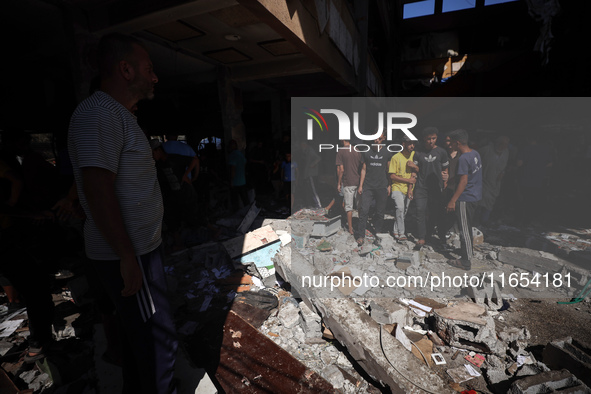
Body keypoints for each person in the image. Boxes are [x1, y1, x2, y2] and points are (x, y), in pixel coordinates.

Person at [68, 33, 177, 394]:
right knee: (158, 344)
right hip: (132, 255)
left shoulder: (115, 115)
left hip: (140, 251)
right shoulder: (99, 113)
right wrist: (127, 256)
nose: (155, 77)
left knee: (138, 343)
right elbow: (98, 189)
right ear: (126, 69)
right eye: (149, 69)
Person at [445, 129, 482, 270]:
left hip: (465, 197)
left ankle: (466, 260)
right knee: (468, 226)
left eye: (451, 142)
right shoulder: (475, 154)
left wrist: (452, 200)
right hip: (476, 196)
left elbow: (463, 182)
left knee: (464, 229)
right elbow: (469, 175)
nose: (449, 145)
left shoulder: (463, 159)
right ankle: (468, 252)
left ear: (457, 143)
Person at [412, 127, 449, 245]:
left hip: (436, 187)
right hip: (421, 187)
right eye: (429, 139)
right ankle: (421, 237)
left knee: (434, 212)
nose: (431, 141)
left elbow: (445, 169)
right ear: (424, 139)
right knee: (420, 210)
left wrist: (445, 184)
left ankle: (430, 234)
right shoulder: (418, 152)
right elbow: (415, 170)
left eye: (434, 138)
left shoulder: (442, 152)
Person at [355, 133, 391, 246]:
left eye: (380, 138)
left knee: (380, 212)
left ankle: (378, 233)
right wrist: (360, 185)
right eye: (375, 138)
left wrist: (389, 185)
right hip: (368, 186)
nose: (377, 140)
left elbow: (389, 170)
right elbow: (363, 169)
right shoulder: (367, 152)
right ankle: (361, 235)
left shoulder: (387, 152)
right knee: (364, 210)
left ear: (383, 139)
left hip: (381, 186)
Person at [388, 136, 418, 241]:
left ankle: (395, 230)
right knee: (400, 208)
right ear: (403, 144)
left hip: (409, 188)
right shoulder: (395, 157)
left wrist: (414, 167)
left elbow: (417, 170)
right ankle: (402, 233)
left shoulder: (414, 155)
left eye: (413, 143)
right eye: (410, 143)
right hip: (397, 187)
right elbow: (392, 176)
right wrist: (408, 181)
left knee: (403, 211)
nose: (412, 146)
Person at [478, 136, 509, 224]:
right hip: (483, 180)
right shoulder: (485, 150)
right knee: (481, 200)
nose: (503, 146)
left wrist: (502, 172)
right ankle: (477, 221)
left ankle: (484, 221)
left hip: (495, 182)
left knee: (490, 201)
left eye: (506, 144)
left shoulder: (506, 152)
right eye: (501, 144)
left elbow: (504, 165)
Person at [335, 140, 361, 234]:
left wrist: (339, 183)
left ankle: (350, 228)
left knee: (349, 207)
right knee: (359, 206)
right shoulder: (357, 150)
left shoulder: (341, 151)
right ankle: (360, 226)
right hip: (357, 181)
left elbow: (341, 170)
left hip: (348, 181)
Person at [227, 139, 249, 211]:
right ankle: (249, 212)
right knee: (245, 199)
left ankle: (236, 213)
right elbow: (245, 164)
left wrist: (231, 181)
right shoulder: (240, 154)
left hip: (235, 182)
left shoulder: (232, 155)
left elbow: (232, 169)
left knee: (235, 200)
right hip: (242, 180)